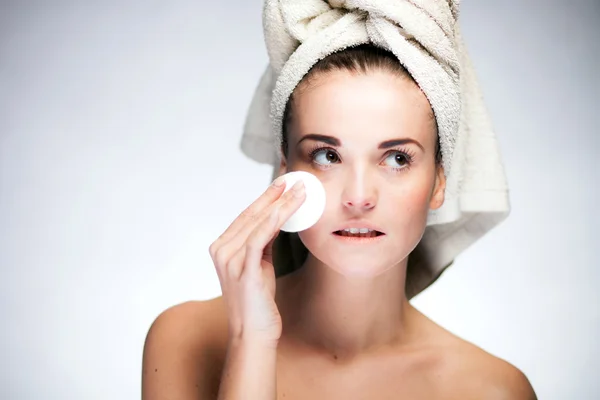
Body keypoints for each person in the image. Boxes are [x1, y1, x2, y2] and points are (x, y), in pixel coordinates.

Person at [142, 2, 537, 400]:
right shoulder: (186, 339)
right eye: (327, 156)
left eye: (397, 158)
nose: (359, 198)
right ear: (285, 168)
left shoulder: (493, 390)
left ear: (438, 181)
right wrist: (251, 340)